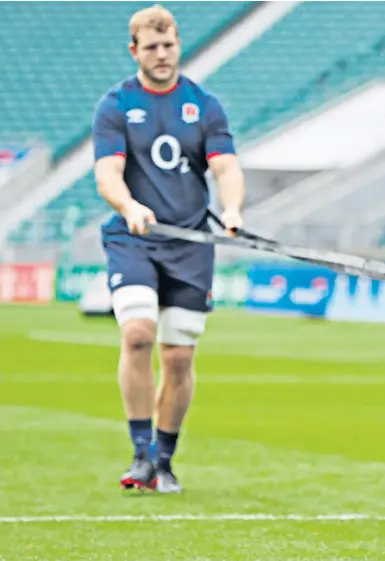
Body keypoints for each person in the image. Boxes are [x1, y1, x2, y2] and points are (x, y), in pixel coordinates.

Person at [92, 4, 245, 492]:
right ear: (134, 51)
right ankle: (140, 454)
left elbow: (225, 166)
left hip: (190, 243)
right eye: (151, 47)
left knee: (179, 358)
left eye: (169, 45)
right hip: (134, 239)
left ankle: (164, 458)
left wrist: (235, 209)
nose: (161, 54)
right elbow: (107, 174)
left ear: (179, 45)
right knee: (138, 334)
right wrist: (130, 206)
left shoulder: (204, 103)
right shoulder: (115, 104)